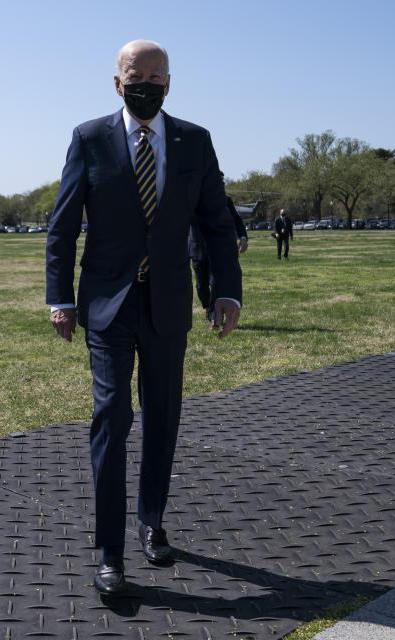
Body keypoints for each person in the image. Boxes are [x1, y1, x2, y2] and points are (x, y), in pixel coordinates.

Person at [45, 39, 242, 595]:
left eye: (157, 74)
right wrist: (58, 298)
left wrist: (225, 291)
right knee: (112, 417)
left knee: (163, 417)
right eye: (137, 73)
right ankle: (110, 553)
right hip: (108, 305)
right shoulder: (88, 139)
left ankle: (151, 521)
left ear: (170, 83)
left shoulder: (194, 142)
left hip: (169, 303)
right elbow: (62, 227)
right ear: (117, 81)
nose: (147, 82)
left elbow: (217, 225)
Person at [189, 177, 248, 321]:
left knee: (214, 282)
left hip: (216, 250)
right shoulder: (192, 199)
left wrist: (243, 237)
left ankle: (213, 314)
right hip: (197, 249)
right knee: (200, 286)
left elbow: (237, 221)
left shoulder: (226, 201)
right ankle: (208, 307)